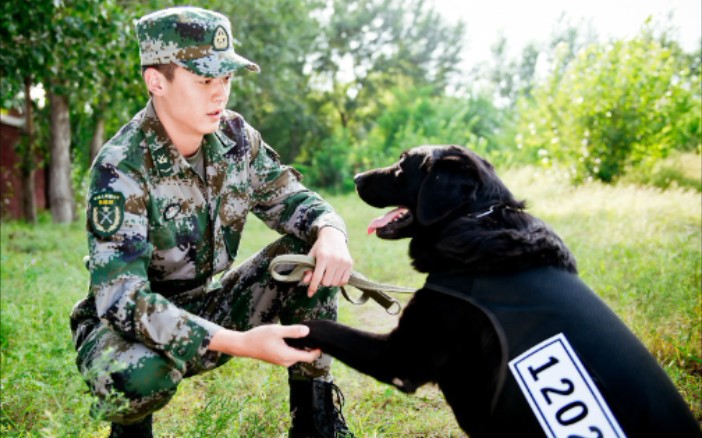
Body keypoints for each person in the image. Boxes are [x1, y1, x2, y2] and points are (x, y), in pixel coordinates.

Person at [69, 6, 355, 438]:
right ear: (156, 81)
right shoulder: (121, 167)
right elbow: (123, 301)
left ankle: (315, 423)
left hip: (208, 301)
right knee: (137, 374)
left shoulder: (236, 137)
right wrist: (240, 343)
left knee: (309, 257)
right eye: (204, 80)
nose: (219, 94)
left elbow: (294, 200)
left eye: (226, 78)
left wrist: (331, 230)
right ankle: (130, 432)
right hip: (125, 327)